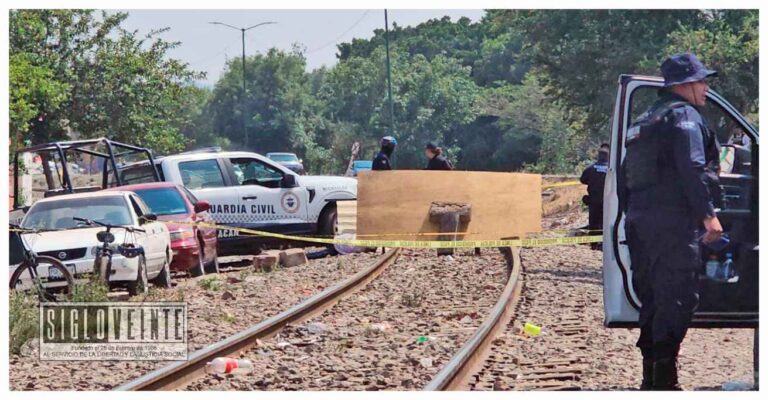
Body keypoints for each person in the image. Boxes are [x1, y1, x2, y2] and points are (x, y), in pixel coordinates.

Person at [622, 52, 723, 390]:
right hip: (674, 226)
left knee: (653, 300)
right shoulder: (685, 117)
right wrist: (708, 216)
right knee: (677, 300)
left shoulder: (645, 121)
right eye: (702, 81)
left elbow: (627, 178)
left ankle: (650, 381)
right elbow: (692, 168)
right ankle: (665, 385)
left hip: (642, 224)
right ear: (685, 85)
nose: (706, 87)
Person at [580, 143, 609, 238]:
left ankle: (593, 243)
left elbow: (583, 180)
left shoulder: (591, 169)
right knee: (605, 221)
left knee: (594, 222)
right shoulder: (611, 169)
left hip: (594, 201)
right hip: (608, 201)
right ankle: (603, 242)